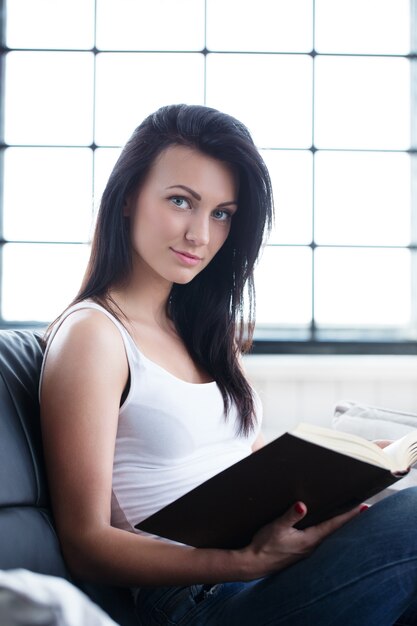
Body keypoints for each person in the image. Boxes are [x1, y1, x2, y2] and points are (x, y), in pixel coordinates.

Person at [40, 103, 417, 625]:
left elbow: (249, 473)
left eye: (222, 214)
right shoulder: (94, 336)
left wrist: (350, 470)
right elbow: (86, 543)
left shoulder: (196, 331)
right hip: (200, 599)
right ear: (128, 197)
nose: (201, 234)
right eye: (180, 201)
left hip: (258, 573)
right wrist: (238, 563)